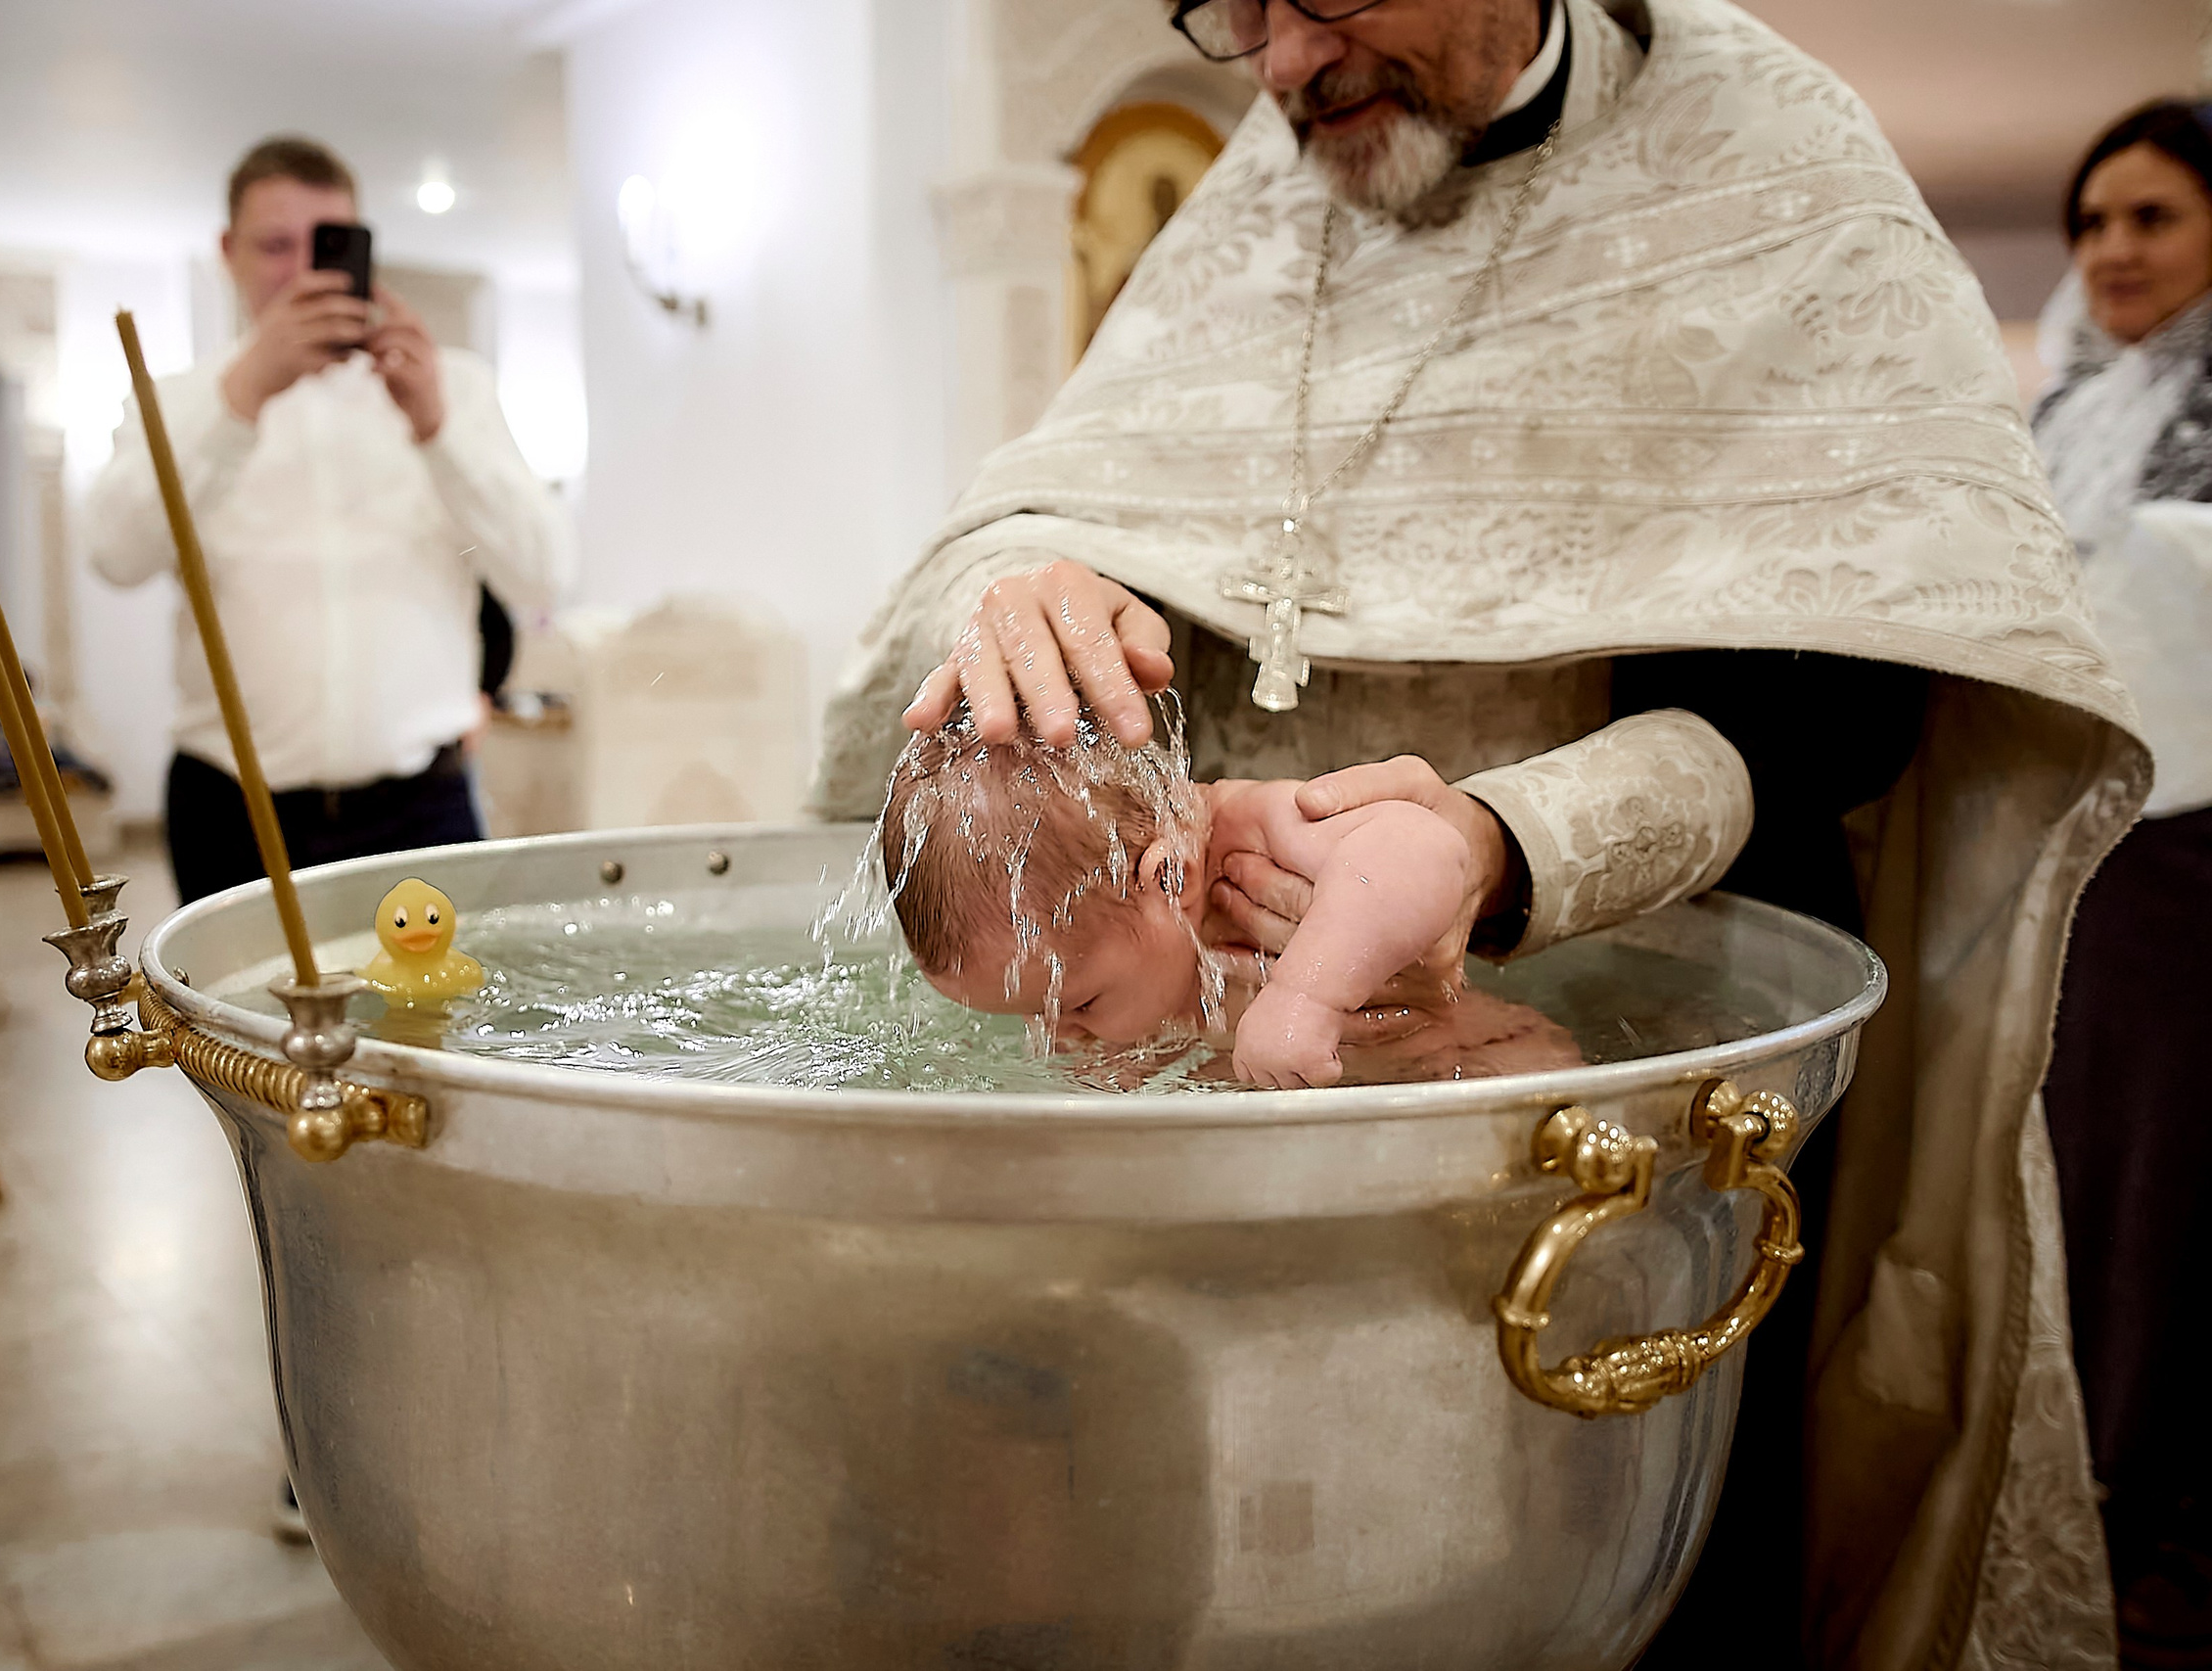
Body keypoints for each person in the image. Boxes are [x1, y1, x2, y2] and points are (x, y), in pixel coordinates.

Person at [815, 0, 2149, 1665]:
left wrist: (1504, 844)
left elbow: (1853, 681)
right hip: (1235, 1104)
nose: (1285, 64)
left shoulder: (1768, 159)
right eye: (1231, 12)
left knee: (1613, 1564)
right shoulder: (1262, 190)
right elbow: (1050, 507)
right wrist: (1043, 592)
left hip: (1626, 1034)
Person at [88, 135, 573, 905]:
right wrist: (241, 398)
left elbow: (543, 572)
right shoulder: (180, 399)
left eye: (326, 244)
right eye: (276, 245)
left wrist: (437, 430)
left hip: (423, 807)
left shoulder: (455, 389)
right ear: (228, 251)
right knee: (235, 1030)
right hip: (233, 812)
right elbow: (115, 553)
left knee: (428, 1026)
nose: (303, 271)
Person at [2029, 100, 2212, 1661]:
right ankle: (2091, 1475)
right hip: (2087, 836)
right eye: (2094, 223)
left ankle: (2162, 1519)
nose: (2112, 251)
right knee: (2083, 1151)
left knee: (2171, 1172)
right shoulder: (2079, 402)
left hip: (2198, 844)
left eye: (2151, 217)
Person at [883, 708, 1581, 1085]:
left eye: (1076, 1001)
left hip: (1484, 1070)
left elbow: (1425, 849)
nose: (1054, 1033)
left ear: (1166, 878)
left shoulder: (1257, 833)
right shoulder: (1135, 926)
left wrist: (1305, 996)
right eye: (1030, 1014)